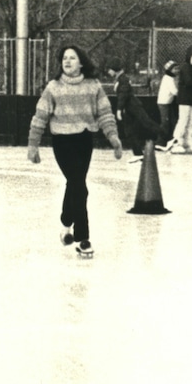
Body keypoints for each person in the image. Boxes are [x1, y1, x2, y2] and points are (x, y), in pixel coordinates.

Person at [27, 44, 123, 260]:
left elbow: (105, 113)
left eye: (72, 58)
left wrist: (114, 138)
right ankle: (83, 239)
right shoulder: (53, 87)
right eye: (64, 58)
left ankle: (65, 223)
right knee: (79, 186)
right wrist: (33, 144)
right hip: (62, 141)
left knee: (76, 185)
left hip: (84, 140)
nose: (68, 61)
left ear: (81, 62)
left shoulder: (93, 86)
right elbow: (40, 116)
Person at [107, 63, 164, 163]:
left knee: (146, 123)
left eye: (109, 69)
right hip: (129, 108)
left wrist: (119, 109)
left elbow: (123, 95)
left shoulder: (123, 79)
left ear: (114, 69)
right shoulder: (121, 78)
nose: (108, 72)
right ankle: (138, 153)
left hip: (133, 107)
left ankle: (168, 138)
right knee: (130, 131)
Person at [156, 60, 179, 150]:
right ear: (169, 70)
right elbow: (174, 91)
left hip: (168, 103)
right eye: (175, 69)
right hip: (164, 103)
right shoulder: (168, 78)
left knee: (172, 121)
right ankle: (160, 142)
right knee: (165, 122)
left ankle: (173, 141)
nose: (177, 70)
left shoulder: (170, 78)